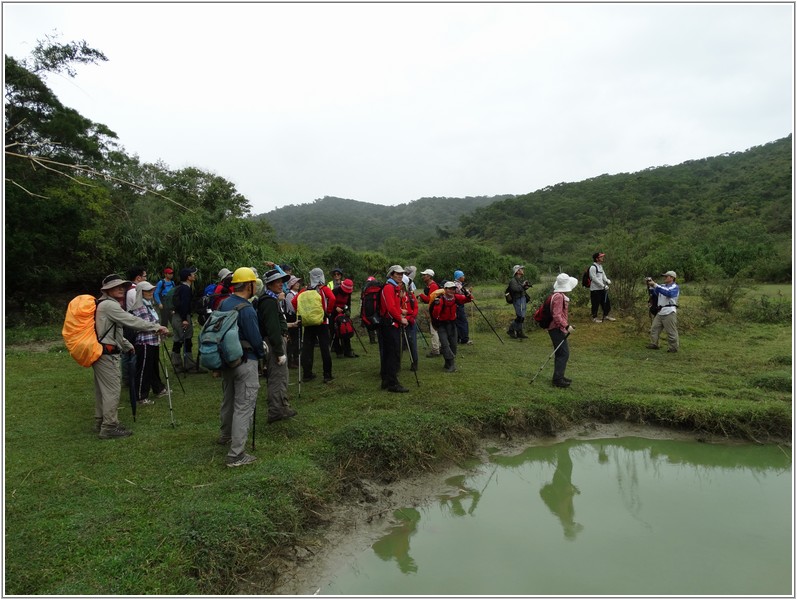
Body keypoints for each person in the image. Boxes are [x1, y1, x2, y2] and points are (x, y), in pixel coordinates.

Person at [92, 274, 168, 438]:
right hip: (107, 354)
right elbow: (131, 321)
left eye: (122, 286)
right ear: (107, 290)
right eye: (116, 286)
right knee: (112, 390)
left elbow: (113, 331)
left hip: (102, 351)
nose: (121, 288)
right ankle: (109, 427)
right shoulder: (109, 306)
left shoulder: (105, 305)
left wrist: (127, 345)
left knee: (102, 390)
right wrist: (156, 327)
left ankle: (100, 422)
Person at [217, 267, 266, 467]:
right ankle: (236, 454)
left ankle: (224, 435)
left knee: (228, 399)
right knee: (244, 405)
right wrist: (263, 354)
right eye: (254, 283)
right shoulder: (246, 309)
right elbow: (255, 339)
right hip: (246, 361)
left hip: (227, 360)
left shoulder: (224, 303)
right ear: (249, 285)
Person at [257, 269, 298, 424]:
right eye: (277, 281)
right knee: (277, 377)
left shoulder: (273, 299)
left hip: (275, 341)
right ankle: (276, 411)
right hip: (274, 343)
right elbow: (272, 328)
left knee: (281, 376)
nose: (281, 284)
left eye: (282, 281)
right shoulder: (268, 301)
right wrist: (279, 351)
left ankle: (282, 406)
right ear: (269, 284)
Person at [293, 267, 336, 384]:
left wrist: (302, 313)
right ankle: (327, 375)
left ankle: (307, 374)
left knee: (307, 348)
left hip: (308, 323)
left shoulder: (305, 289)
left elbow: (294, 301)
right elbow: (332, 298)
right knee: (324, 348)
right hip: (322, 322)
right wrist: (328, 312)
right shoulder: (324, 289)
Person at [129, 281, 168, 406]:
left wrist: (159, 329)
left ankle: (158, 389)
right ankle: (140, 396)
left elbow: (153, 322)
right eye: (147, 291)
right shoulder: (139, 306)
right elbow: (145, 324)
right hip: (144, 342)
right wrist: (159, 328)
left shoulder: (149, 304)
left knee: (153, 367)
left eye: (151, 290)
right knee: (144, 368)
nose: (151, 292)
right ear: (141, 292)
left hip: (153, 340)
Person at [430, 280, 472, 372]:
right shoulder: (440, 300)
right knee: (445, 345)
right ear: (445, 289)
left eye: (453, 289)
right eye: (449, 289)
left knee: (453, 345)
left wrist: (468, 295)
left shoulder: (456, 297)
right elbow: (435, 314)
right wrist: (436, 305)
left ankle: (447, 363)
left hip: (452, 324)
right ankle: (452, 365)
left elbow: (468, 300)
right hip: (442, 325)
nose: (451, 291)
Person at [379, 265, 409, 392]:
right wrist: (400, 318)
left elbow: (393, 306)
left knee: (388, 353)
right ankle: (392, 383)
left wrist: (400, 311)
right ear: (391, 275)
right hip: (390, 324)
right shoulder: (389, 288)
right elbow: (390, 308)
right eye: (397, 274)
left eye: (402, 274)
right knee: (393, 353)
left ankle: (386, 380)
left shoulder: (393, 287)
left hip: (389, 323)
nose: (400, 276)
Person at [171, 266, 205, 374]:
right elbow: (184, 304)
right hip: (182, 317)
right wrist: (185, 319)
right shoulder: (186, 289)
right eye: (193, 274)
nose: (194, 275)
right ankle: (189, 366)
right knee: (187, 340)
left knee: (177, 340)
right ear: (188, 277)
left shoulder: (180, 287)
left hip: (176, 317)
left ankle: (177, 365)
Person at [121, 265, 147, 398]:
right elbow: (138, 308)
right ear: (138, 278)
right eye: (145, 276)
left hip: (128, 322)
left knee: (127, 351)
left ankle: (127, 377)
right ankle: (129, 377)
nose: (145, 279)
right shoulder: (133, 291)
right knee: (131, 351)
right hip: (131, 323)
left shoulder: (128, 289)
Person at [547, 273, 577, 388]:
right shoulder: (559, 297)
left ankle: (559, 376)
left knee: (561, 353)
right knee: (563, 353)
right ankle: (557, 379)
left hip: (556, 328)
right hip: (556, 328)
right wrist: (566, 326)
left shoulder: (557, 295)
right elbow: (557, 315)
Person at [646, 270, 680, 352]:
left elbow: (669, 293)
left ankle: (673, 348)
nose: (664, 278)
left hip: (669, 311)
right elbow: (655, 293)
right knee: (654, 328)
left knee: (671, 331)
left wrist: (655, 285)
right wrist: (650, 286)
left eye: (666, 276)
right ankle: (654, 343)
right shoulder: (662, 286)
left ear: (672, 278)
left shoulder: (674, 287)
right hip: (660, 311)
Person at [331, 278, 358, 358]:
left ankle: (348, 350)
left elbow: (348, 303)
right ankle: (338, 351)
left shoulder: (348, 294)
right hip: (333, 313)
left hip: (343, 313)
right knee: (335, 331)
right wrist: (335, 308)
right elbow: (329, 302)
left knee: (345, 330)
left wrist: (347, 312)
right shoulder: (335, 291)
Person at [418, 269, 441, 357]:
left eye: (425, 275)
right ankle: (439, 347)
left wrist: (421, 295)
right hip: (434, 309)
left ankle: (436, 350)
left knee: (434, 329)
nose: (423, 276)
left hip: (435, 310)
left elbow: (429, 299)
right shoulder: (430, 285)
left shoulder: (433, 286)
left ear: (429, 276)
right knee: (436, 329)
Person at [589, 252, 615, 322]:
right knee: (595, 304)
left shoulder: (600, 266)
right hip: (595, 289)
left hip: (602, 288)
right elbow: (594, 279)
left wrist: (607, 280)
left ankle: (606, 315)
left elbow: (603, 275)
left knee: (606, 303)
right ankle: (594, 318)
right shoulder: (593, 267)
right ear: (597, 259)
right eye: (600, 257)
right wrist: (603, 285)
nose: (602, 258)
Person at [507, 265, 531, 339]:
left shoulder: (518, 280)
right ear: (517, 271)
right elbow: (515, 289)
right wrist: (523, 286)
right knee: (520, 316)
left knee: (522, 317)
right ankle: (511, 329)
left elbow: (520, 289)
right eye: (521, 269)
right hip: (517, 299)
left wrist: (525, 287)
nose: (523, 270)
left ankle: (519, 332)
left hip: (522, 299)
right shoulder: (513, 280)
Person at [400, 274, 420, 370]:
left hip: (410, 323)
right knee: (398, 345)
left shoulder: (410, 295)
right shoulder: (395, 295)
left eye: (401, 283)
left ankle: (414, 362)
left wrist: (408, 318)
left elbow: (415, 308)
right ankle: (396, 364)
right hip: (399, 322)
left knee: (412, 343)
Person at [283, 275, 302, 368]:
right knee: (293, 340)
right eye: (295, 282)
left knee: (297, 339)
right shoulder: (289, 295)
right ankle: (291, 360)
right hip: (292, 318)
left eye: (298, 282)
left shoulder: (298, 293)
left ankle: (296, 357)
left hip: (297, 317)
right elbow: (292, 308)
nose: (298, 284)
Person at [453, 269, 472, 345]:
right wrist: (469, 292)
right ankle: (464, 339)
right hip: (459, 305)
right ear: (459, 277)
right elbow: (464, 294)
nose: (464, 277)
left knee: (457, 322)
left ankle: (457, 338)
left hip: (456, 305)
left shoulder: (456, 284)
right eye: (462, 275)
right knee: (463, 322)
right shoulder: (458, 285)